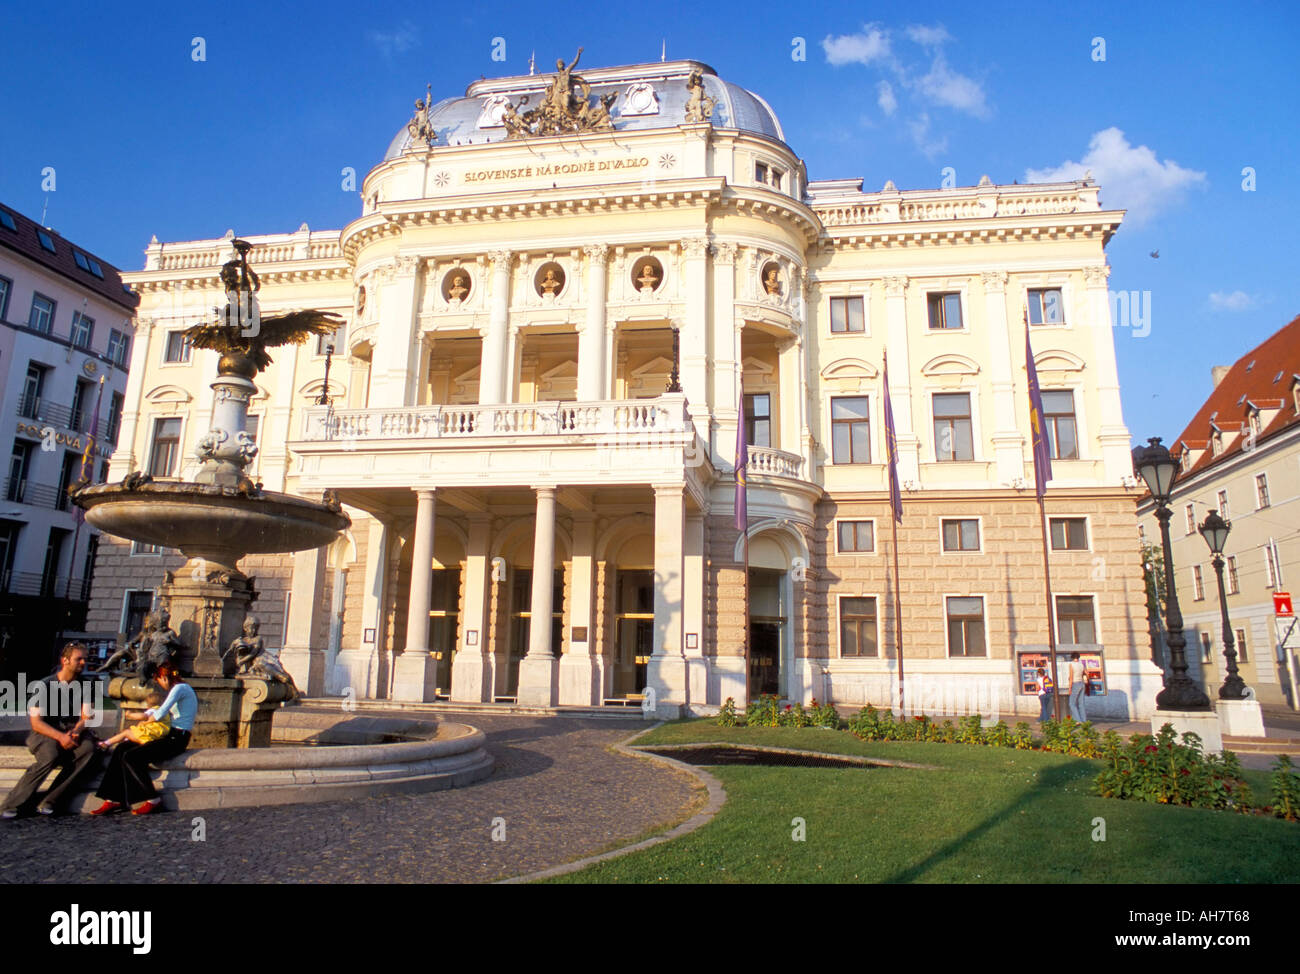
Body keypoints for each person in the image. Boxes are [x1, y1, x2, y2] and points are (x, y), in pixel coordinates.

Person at [1, 643, 101, 818]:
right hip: (45, 732)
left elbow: (87, 717)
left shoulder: (86, 685)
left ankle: (50, 800)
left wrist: (76, 731)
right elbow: (36, 723)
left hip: (70, 731)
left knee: (88, 750)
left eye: (85, 658)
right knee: (49, 755)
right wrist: (61, 737)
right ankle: (11, 804)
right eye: (79, 659)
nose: (83, 662)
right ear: (65, 660)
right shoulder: (44, 685)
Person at [89, 661, 196, 816]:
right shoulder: (181, 688)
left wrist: (142, 724)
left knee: (132, 756)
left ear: (163, 678)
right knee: (121, 749)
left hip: (177, 739)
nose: (159, 684)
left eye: (158, 680)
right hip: (170, 735)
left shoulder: (179, 688)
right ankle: (113, 799)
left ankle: (152, 799)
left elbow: (159, 713)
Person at [96, 690, 170, 748]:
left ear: (149, 705)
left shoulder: (153, 710)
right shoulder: (164, 712)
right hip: (159, 736)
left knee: (126, 732)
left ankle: (106, 743)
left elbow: (143, 716)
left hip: (148, 738)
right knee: (138, 726)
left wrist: (130, 715)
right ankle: (126, 739)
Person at [1067, 652, 1088, 722]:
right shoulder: (1081, 664)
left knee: (1072, 703)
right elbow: (1087, 673)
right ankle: (1084, 721)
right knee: (1081, 704)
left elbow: (1071, 677)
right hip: (1082, 684)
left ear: (1072, 657)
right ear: (1078, 657)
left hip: (1075, 684)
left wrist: (1069, 688)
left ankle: (1078, 721)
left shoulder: (1071, 664)